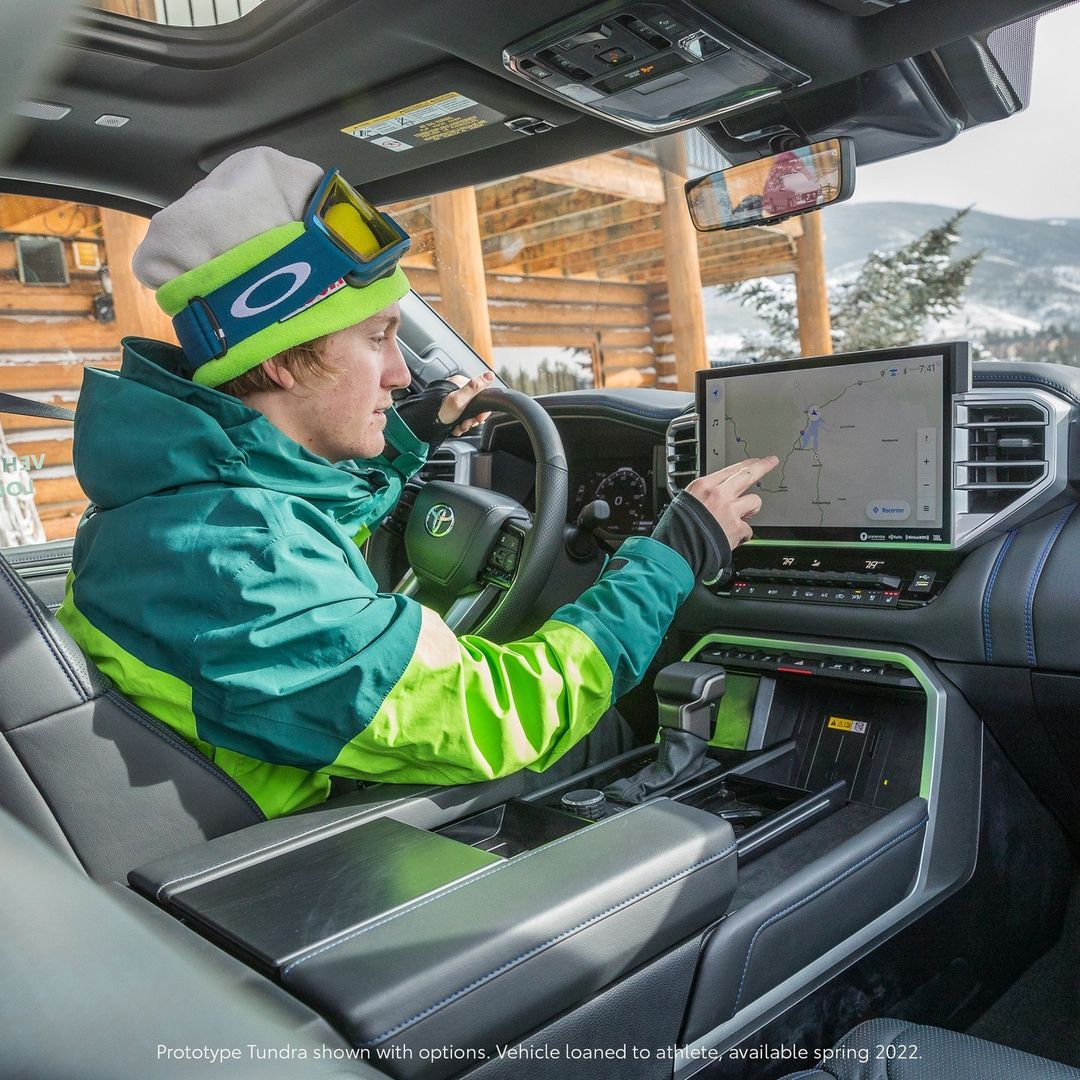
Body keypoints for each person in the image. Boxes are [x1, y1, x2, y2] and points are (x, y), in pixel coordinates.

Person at [56, 147, 777, 818]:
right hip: (301, 858)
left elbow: (308, 541)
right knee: (606, 738)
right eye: (377, 339)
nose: (401, 373)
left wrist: (404, 435)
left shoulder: (175, 507)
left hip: (264, 796)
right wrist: (671, 557)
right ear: (280, 360)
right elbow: (498, 717)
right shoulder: (248, 560)